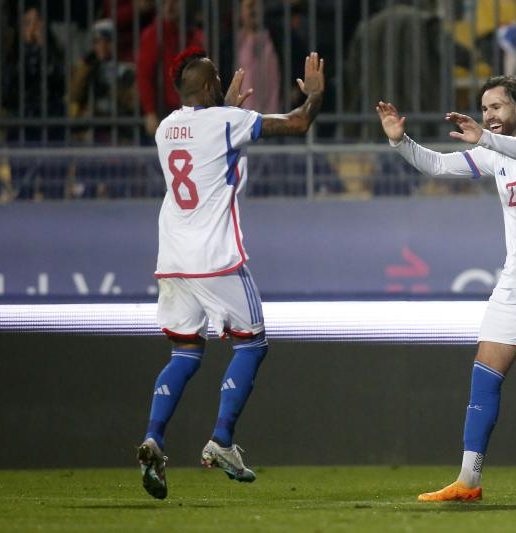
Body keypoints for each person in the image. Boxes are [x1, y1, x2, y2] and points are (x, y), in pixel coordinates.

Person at [376, 75, 516, 502]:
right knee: (484, 376)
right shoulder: (492, 152)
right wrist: (400, 141)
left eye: (496, 106)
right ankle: (468, 480)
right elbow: (441, 165)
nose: (488, 115)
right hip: (512, 282)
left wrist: (486, 139)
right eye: (484, 109)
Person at [137, 47, 324, 500]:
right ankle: (221, 439)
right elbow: (297, 122)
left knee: (184, 354)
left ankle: (154, 439)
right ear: (205, 87)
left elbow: (207, 142)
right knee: (252, 341)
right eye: (217, 78)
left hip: (173, 259)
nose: (223, 81)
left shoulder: (165, 129)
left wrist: (227, 110)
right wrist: (315, 96)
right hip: (215, 257)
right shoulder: (225, 121)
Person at [136, 0, 205, 137]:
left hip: (193, 115)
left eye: (174, 2)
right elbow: (144, 76)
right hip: (164, 116)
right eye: (165, 2)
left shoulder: (195, 36)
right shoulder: (152, 35)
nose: (169, 6)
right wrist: (150, 112)